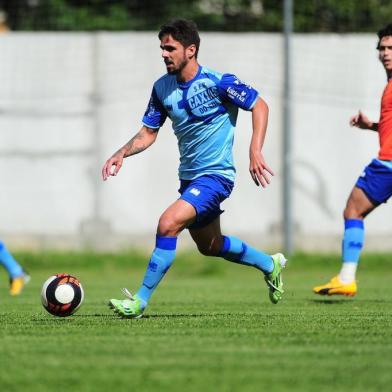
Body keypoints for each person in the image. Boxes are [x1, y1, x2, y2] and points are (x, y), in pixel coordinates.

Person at [102, 19, 287, 318]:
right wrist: (122, 152)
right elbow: (149, 132)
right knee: (211, 246)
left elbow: (260, 105)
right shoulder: (162, 88)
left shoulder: (219, 82)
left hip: (217, 177)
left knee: (168, 223)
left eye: (170, 48)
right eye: (162, 48)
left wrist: (255, 150)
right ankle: (269, 264)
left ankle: (139, 301)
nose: (164, 54)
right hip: (189, 179)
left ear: (191, 50)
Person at [313, 24, 392, 297]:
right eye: (382, 48)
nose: (385, 53)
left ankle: (347, 277)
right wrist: (373, 126)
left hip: (387, 164)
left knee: (352, 212)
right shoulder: (389, 84)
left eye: (390, 48)